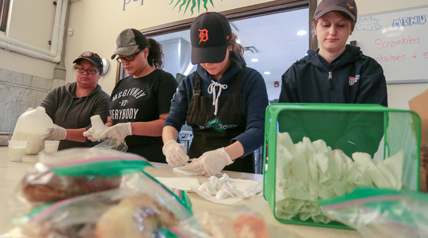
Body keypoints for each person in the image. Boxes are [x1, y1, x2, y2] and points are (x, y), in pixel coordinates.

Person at [278, 0, 387, 156]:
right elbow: (288, 120)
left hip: (351, 162)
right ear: (315, 28)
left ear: (351, 29)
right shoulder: (295, 73)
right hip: (306, 161)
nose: (332, 31)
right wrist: (308, 150)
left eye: (341, 25)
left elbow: (371, 121)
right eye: (325, 24)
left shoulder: (368, 69)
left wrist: (344, 149)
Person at [162, 12, 269, 176]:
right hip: (195, 169)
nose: (207, 63)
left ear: (229, 46)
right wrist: (170, 143)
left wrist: (224, 156)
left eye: (213, 56)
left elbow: (259, 130)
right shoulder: (189, 83)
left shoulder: (251, 79)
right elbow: (172, 121)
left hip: (238, 172)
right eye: (202, 57)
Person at [87, 28, 178, 163]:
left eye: (129, 57)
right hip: (120, 160)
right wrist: (101, 130)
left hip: (150, 161)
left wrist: (129, 128)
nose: (125, 63)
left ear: (145, 52)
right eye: (121, 59)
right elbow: (111, 121)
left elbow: (167, 124)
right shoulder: (120, 84)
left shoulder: (163, 80)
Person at [40, 51, 110, 150]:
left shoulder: (104, 100)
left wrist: (63, 133)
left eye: (91, 70)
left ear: (100, 73)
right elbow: (42, 117)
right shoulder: (58, 92)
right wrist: (34, 116)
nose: (85, 73)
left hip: (84, 159)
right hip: (53, 153)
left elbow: (94, 134)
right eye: (80, 69)